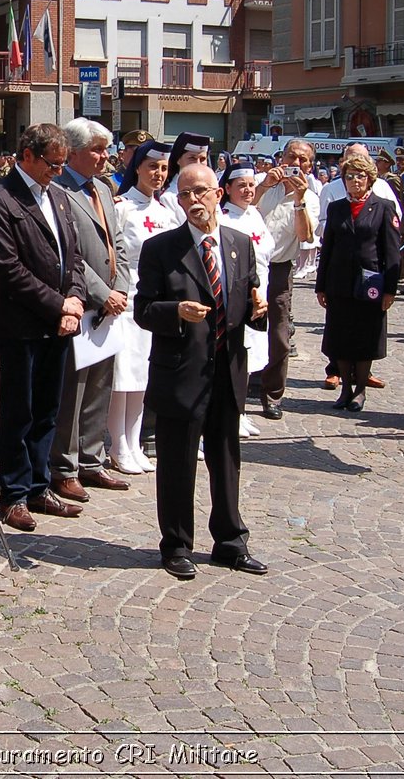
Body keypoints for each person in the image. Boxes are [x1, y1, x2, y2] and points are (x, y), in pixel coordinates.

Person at [133, 163, 267, 581]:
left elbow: (248, 302)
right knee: (176, 463)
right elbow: (143, 310)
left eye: (202, 193)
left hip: (227, 371)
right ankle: (176, 544)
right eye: (186, 194)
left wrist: (259, 312)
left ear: (217, 195)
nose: (195, 201)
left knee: (227, 459)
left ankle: (230, 542)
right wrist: (177, 311)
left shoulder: (239, 244)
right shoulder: (161, 249)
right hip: (180, 373)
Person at [0, 123, 87, 531]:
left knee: (47, 410)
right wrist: (58, 304)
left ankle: (40, 486)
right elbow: (8, 268)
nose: (57, 172)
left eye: (62, 165)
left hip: (60, 323)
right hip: (22, 323)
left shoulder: (57, 197)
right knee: (18, 412)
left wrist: (73, 300)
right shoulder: (0, 198)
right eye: (51, 164)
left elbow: (72, 257)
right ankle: (15, 493)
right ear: (27, 155)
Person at [51, 118, 134, 503]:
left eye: (107, 149)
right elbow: (72, 254)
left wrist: (122, 286)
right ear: (73, 151)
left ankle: (92, 458)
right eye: (97, 150)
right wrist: (102, 294)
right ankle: (64, 466)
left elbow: (116, 242)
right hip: (80, 303)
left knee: (101, 384)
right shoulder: (58, 189)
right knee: (75, 389)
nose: (105, 157)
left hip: (110, 308)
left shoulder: (102, 187)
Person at [109, 140, 176, 472]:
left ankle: (134, 442)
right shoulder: (120, 206)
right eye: (152, 167)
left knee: (142, 375)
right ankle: (117, 443)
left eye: (164, 168)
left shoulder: (165, 213)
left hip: (153, 303)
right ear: (137, 167)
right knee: (121, 377)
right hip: (126, 300)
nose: (158, 174)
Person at [316, 156, 402, 413]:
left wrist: (390, 289)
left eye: (360, 176)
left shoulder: (383, 207)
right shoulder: (336, 208)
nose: (355, 181)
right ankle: (344, 390)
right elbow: (327, 248)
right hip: (339, 282)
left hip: (370, 282)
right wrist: (321, 285)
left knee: (365, 337)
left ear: (370, 179)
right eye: (350, 177)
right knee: (340, 336)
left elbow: (392, 251)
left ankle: (361, 390)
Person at [253, 138, 319, 420]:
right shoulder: (258, 181)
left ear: (310, 166)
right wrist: (265, 186)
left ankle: (272, 394)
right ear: (281, 157)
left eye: (303, 160)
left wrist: (299, 200)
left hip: (279, 267)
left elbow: (306, 236)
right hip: (246, 264)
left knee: (279, 333)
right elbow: (234, 210)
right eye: (292, 157)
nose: (296, 164)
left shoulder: (311, 197)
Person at [219, 159, 272, 438]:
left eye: (252, 185)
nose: (248, 191)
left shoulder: (255, 215)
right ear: (227, 188)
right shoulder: (224, 218)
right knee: (237, 356)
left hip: (261, 291)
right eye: (241, 186)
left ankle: (240, 410)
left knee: (252, 357)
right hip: (239, 295)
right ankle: (231, 412)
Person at [162, 131, 212, 222]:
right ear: (178, 159)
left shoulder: (211, 192)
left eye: (202, 159)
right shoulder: (169, 197)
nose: (198, 164)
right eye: (192, 158)